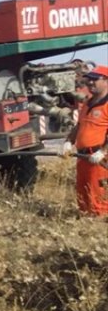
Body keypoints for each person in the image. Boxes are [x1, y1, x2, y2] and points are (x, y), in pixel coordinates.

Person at [61, 68, 108, 217]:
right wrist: (69, 141)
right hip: (83, 158)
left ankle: (99, 227)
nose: (90, 82)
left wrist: (103, 152)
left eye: (95, 79)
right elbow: (80, 125)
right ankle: (85, 222)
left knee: (98, 197)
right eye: (89, 79)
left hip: (99, 160)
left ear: (106, 80)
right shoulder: (87, 102)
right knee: (83, 195)